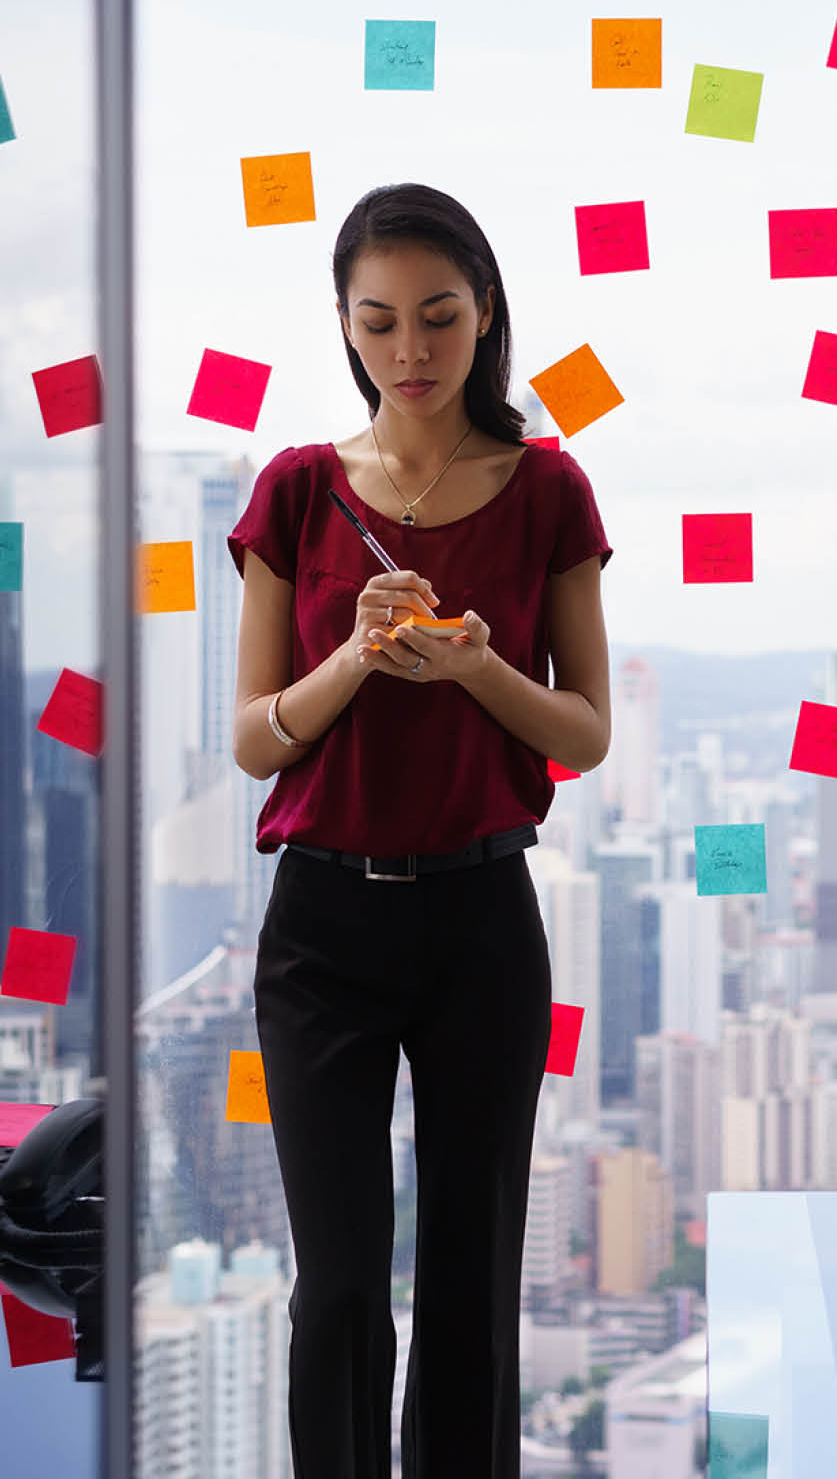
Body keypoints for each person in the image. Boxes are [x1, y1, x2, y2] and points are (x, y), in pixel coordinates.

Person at [227, 182, 612, 1478]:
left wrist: (476, 668)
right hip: (321, 929)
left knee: (469, 1278)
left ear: (486, 313)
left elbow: (583, 733)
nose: (411, 351)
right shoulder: (295, 490)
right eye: (380, 321)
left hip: (481, 922)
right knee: (338, 1285)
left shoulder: (549, 489)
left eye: (439, 317)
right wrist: (354, 658)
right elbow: (255, 738)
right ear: (344, 324)